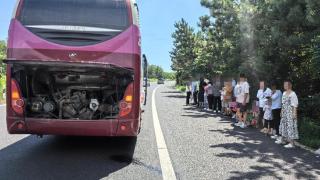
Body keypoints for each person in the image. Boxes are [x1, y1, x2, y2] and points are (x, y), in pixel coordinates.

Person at [276, 80, 299, 148]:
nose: (285, 86)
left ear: (290, 85)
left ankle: (292, 143)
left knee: (290, 126)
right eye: (284, 84)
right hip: (284, 112)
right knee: (283, 125)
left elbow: (295, 105)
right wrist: (281, 111)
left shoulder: (293, 94)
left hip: (290, 112)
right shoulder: (284, 93)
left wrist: (294, 114)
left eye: (286, 84)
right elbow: (283, 104)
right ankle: (283, 140)